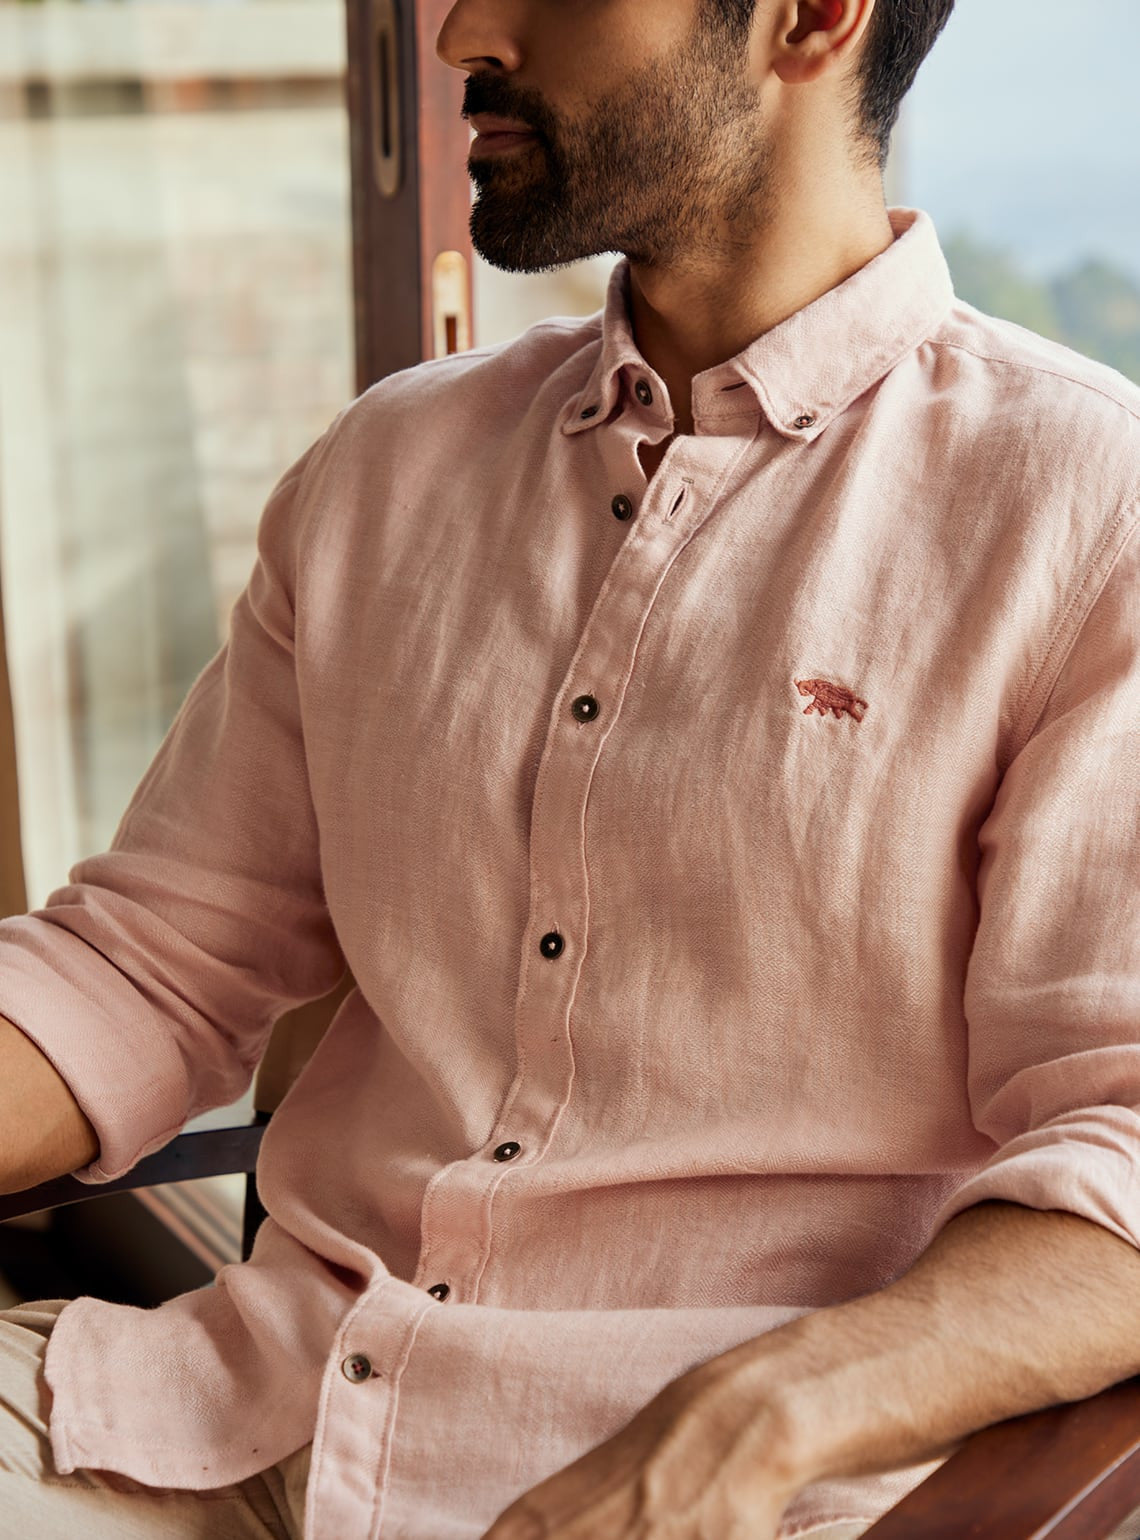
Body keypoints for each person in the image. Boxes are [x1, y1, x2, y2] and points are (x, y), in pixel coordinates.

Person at [2, 0, 1140, 1535]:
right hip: (233, 1428)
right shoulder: (383, 472)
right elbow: (149, 966)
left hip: (721, 1496)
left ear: (808, 20)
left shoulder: (1084, 516)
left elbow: (1125, 1150)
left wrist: (759, 1417)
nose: (468, 28)